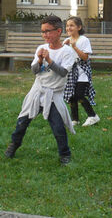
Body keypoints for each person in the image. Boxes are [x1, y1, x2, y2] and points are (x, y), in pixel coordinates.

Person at [4, 16, 76, 165]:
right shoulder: (41, 48)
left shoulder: (67, 52)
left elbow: (63, 72)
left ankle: (65, 154)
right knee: (22, 121)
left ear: (58, 31)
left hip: (53, 95)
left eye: (48, 31)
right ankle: (14, 145)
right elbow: (34, 71)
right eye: (42, 32)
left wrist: (49, 60)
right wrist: (40, 60)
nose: (45, 35)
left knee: (58, 127)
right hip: (37, 92)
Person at [63, 16, 100, 127]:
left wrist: (74, 47)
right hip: (71, 73)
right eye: (67, 25)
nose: (69, 28)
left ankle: (93, 116)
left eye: (72, 25)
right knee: (71, 96)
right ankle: (75, 119)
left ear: (79, 27)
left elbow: (85, 57)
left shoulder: (84, 40)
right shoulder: (66, 40)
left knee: (79, 95)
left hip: (82, 72)